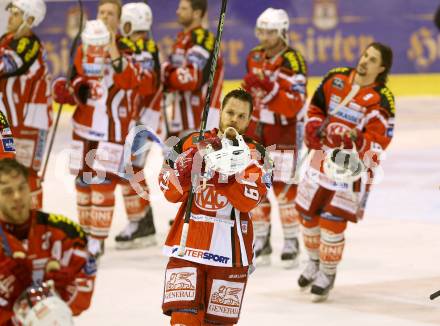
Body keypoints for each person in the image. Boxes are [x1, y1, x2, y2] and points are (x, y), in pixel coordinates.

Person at [53, 0, 156, 258]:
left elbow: (135, 82)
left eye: (111, 13)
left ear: (119, 20)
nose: (105, 16)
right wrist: (72, 89)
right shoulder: (84, 45)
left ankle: (97, 241)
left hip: (113, 127)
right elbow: (77, 78)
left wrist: (112, 48)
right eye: (102, 12)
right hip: (84, 124)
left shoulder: (128, 47)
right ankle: (86, 233)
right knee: (82, 180)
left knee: (103, 181)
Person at [159, 89, 271, 326]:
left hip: (232, 254)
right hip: (187, 247)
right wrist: (187, 172)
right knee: (182, 321)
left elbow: (249, 200)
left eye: (242, 116)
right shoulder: (192, 141)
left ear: (250, 120)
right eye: (230, 112)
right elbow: (168, 190)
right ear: (220, 112)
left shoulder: (257, 153)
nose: (234, 120)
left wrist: (225, 172)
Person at [295, 42, 395, 302]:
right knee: (308, 215)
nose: (364, 61)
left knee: (332, 220)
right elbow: (315, 107)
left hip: (352, 167)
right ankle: (314, 262)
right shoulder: (336, 77)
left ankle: (327, 273)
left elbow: (381, 136)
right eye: (365, 55)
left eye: (372, 60)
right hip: (321, 158)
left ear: (381, 68)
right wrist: (315, 129)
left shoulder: (383, 98)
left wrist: (356, 138)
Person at [241, 8, 308, 268]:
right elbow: (249, 94)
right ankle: (261, 238)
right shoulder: (254, 56)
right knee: (254, 184)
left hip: (284, 131)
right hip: (255, 130)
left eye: (270, 32)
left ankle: (291, 239)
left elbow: (294, 103)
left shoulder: (293, 61)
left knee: (284, 187)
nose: (264, 37)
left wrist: (269, 87)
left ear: (282, 32)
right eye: (261, 31)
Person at [0, 158, 96, 324]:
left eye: (22, 188)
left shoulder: (66, 233)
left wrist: (65, 290)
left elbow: (83, 298)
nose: (17, 196)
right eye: (7, 191)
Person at [113, 2, 162, 249]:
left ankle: (140, 222)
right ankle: (144, 221)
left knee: (130, 169)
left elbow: (144, 85)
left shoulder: (143, 49)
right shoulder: (141, 46)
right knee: (131, 169)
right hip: (138, 118)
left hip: (142, 119)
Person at [0, 0, 52, 210]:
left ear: (29, 20)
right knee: (7, 169)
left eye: (16, 13)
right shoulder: (8, 39)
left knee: (26, 173)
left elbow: (5, 66)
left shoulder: (29, 45)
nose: (10, 17)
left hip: (30, 124)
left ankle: (34, 226)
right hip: (10, 123)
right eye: (11, 12)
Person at [162, 0, 223, 138]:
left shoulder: (204, 39)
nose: (178, 12)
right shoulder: (181, 38)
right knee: (171, 158)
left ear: (196, 13)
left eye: (183, 8)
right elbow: (170, 80)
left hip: (201, 118)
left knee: (194, 160)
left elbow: (190, 78)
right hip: (180, 118)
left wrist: (166, 71)